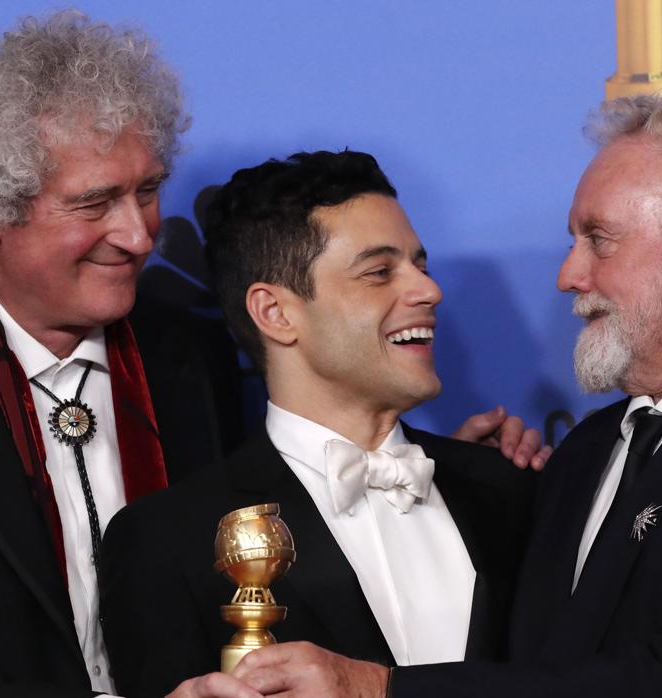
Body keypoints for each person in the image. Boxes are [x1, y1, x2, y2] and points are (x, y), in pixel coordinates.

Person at [0, 13, 547, 698]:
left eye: (146, 191)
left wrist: (451, 485)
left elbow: (281, 504)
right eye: (95, 202)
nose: (139, 236)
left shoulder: (192, 351)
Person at [215, 91, 662, 697]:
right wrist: (467, 494)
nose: (568, 275)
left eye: (599, 240)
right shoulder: (587, 453)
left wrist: (382, 688)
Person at [99, 151, 537, 698]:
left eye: (420, 265)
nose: (429, 291)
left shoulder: (512, 488)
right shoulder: (167, 540)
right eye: (380, 272)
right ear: (276, 313)